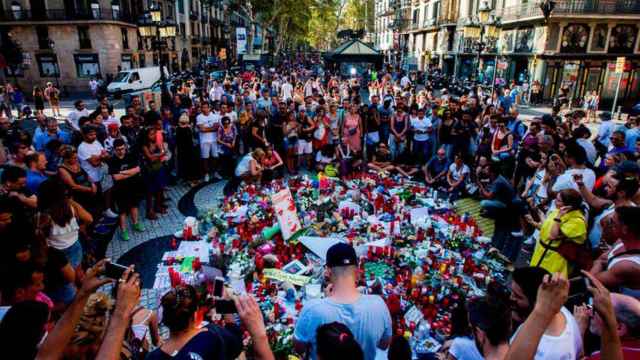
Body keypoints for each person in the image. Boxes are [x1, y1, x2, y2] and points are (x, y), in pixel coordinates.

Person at [294, 243, 392, 360]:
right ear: (357, 272)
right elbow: (384, 344)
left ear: (328, 272)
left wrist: (324, 301)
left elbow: (299, 348)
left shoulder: (312, 309)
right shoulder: (379, 305)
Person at [146, 285, 274, 360]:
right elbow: (235, 342)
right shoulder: (209, 338)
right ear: (195, 314)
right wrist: (259, 335)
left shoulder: (151, 357)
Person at [509, 267, 583, 359]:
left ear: (537, 300)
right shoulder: (561, 311)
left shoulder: (543, 351)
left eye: (517, 296)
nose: (511, 298)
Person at [530, 189, 587, 277]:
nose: (554, 201)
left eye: (558, 200)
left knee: (544, 283)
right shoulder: (558, 210)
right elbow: (547, 225)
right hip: (540, 251)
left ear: (569, 205)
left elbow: (552, 235)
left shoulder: (577, 221)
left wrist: (558, 217)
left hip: (554, 259)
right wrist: (537, 211)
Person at [590, 206, 640, 298]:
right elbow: (603, 258)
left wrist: (598, 263)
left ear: (625, 229)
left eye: (612, 222)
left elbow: (592, 281)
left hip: (624, 309)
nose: (608, 224)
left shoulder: (628, 265)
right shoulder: (621, 240)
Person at [108, 139, 144, 241]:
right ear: (114, 150)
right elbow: (116, 177)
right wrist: (130, 172)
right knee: (122, 211)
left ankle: (136, 223)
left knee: (134, 206)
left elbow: (137, 170)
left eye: (122, 148)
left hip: (133, 186)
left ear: (125, 147)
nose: (121, 151)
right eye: (118, 149)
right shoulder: (112, 160)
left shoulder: (130, 156)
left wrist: (122, 172)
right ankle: (123, 230)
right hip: (120, 190)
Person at [141, 126, 168, 220]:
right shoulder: (144, 145)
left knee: (160, 188)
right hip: (149, 170)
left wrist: (157, 154)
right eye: (151, 134)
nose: (153, 136)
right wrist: (159, 154)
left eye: (154, 134)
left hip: (159, 168)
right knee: (150, 191)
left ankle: (158, 206)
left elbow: (163, 151)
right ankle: (149, 211)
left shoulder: (155, 143)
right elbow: (151, 158)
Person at [196, 101, 221, 182]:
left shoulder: (215, 116)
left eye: (206, 107)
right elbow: (201, 129)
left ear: (209, 108)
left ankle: (215, 172)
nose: (205, 109)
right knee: (205, 158)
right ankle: (206, 173)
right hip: (204, 141)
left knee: (215, 157)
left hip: (214, 140)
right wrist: (211, 128)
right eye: (203, 107)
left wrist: (205, 128)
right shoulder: (199, 117)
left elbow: (216, 127)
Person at [175, 113, 201, 186]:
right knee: (190, 166)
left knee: (185, 166)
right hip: (188, 150)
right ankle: (191, 181)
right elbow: (190, 140)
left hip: (182, 150)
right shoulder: (187, 129)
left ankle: (188, 180)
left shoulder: (178, 129)